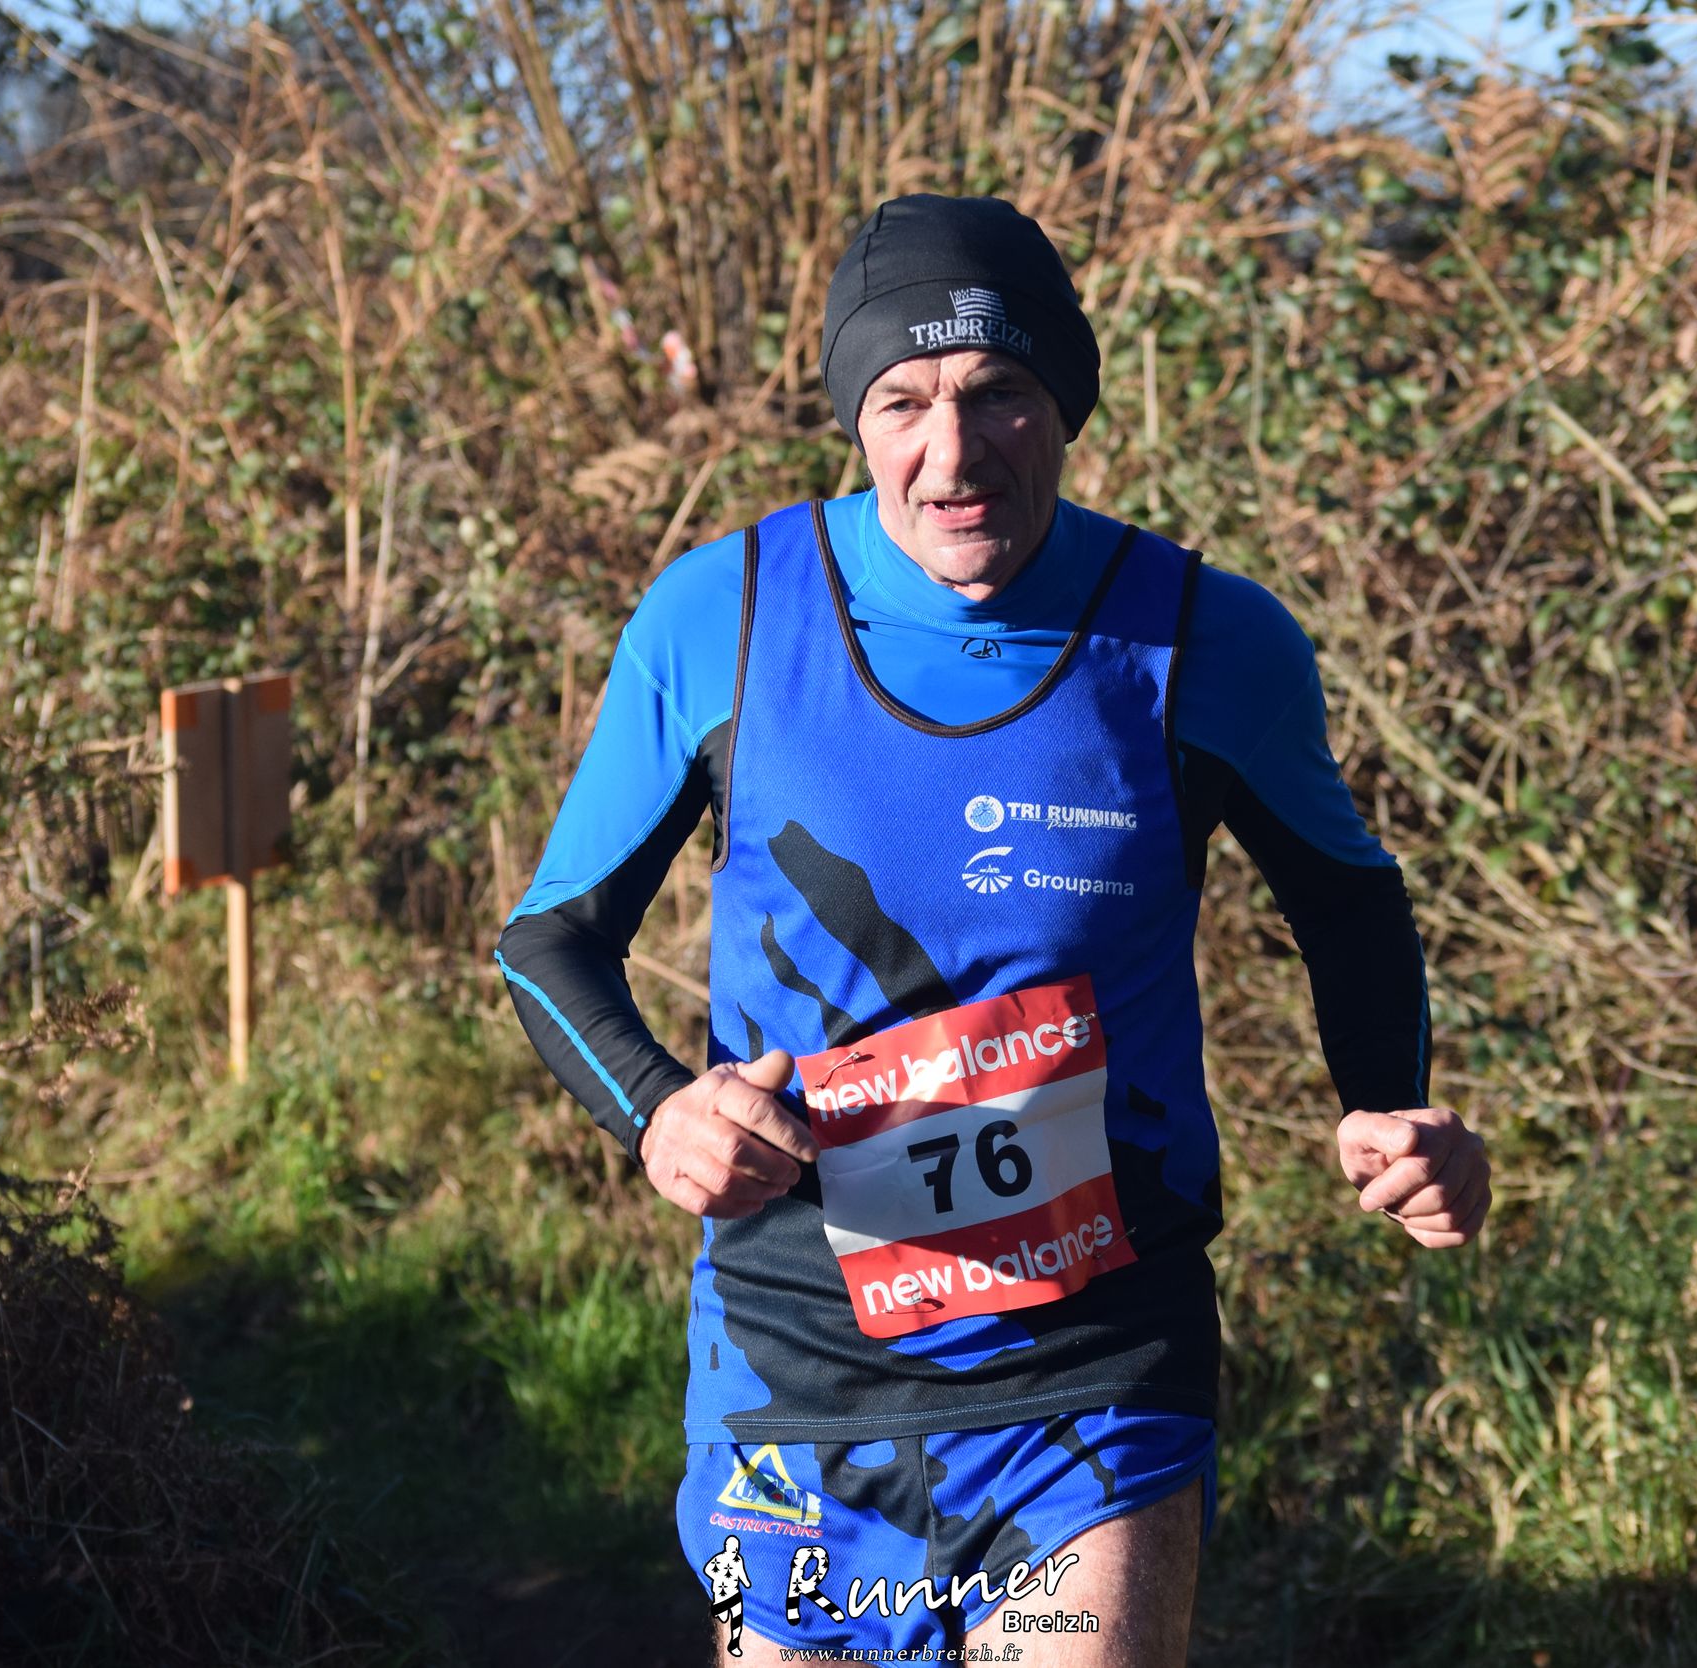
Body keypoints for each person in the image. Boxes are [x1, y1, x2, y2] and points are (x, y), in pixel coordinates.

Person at [496, 193, 1491, 1666]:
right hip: (795, 1363)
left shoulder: (1208, 639)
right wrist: (658, 1116)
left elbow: (1350, 900)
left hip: (1098, 1364)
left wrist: (1392, 1110)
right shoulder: (723, 616)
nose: (952, 455)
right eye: (902, 402)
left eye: (999, 393)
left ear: (1068, 401)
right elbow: (552, 939)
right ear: (855, 418)